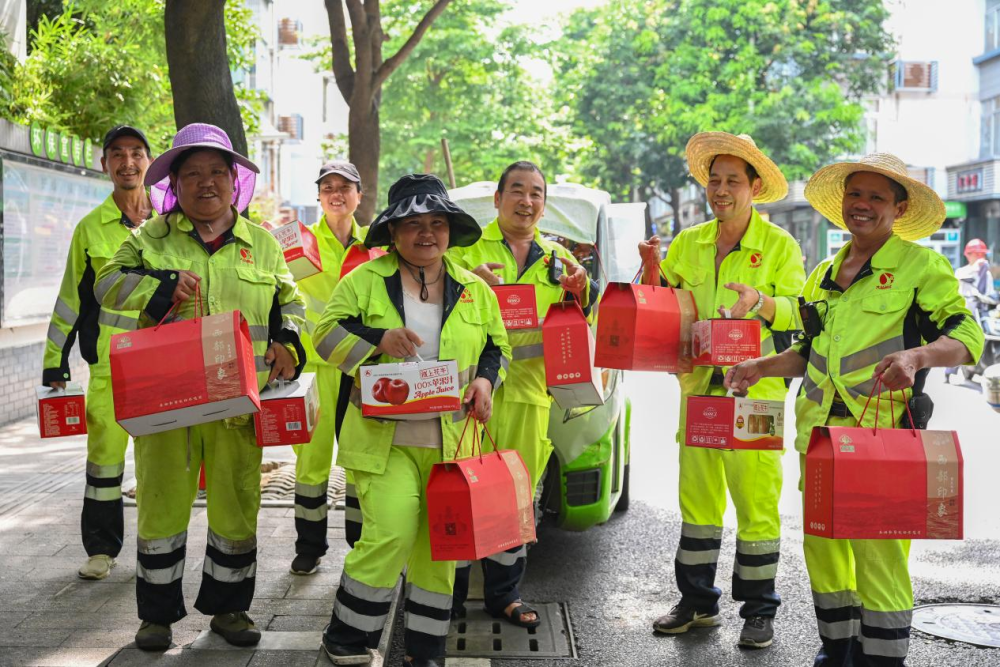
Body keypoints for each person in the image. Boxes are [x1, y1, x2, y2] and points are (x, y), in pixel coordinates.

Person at [725, 153, 984, 666]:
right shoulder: (823, 273)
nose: (862, 206)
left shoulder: (920, 267)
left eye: (876, 197)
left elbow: (968, 337)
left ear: (899, 207)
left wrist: (917, 355)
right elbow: (808, 352)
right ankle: (836, 650)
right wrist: (760, 366)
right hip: (819, 440)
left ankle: (882, 659)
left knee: (880, 559)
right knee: (824, 552)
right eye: (855, 195)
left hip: (882, 441)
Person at [94, 123, 306, 651]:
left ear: (234, 180)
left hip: (239, 401)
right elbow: (105, 286)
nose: (206, 183)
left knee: (237, 505)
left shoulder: (262, 244)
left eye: (217, 172)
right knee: (162, 506)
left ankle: (230, 609)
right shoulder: (149, 238)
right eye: (193, 174)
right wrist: (159, 284)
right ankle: (157, 616)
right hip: (168, 399)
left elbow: (293, 305)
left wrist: (290, 341)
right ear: (176, 182)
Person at [313, 174, 512, 667]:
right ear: (394, 231)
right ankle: (346, 636)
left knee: (441, 549)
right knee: (393, 533)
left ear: (450, 231)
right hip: (385, 441)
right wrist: (377, 340)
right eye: (414, 224)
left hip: (451, 444)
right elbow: (324, 335)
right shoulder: (364, 280)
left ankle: (425, 651)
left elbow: (496, 348)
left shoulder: (473, 288)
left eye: (437, 224)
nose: (427, 234)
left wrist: (486, 383)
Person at [638, 133, 805, 648]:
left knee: (756, 506)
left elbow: (802, 316)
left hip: (757, 393)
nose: (722, 189)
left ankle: (759, 611)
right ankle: (696, 604)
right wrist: (650, 269)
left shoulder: (780, 247)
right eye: (715, 180)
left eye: (734, 180)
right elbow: (665, 304)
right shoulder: (689, 242)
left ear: (755, 187)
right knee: (698, 504)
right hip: (701, 393)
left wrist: (761, 302)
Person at [448, 161, 594, 629]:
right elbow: (436, 305)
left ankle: (504, 596)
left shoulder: (559, 262)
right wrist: (469, 282)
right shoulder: (464, 250)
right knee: (459, 491)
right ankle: (445, 597)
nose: (526, 201)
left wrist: (580, 294)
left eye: (535, 193)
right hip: (469, 396)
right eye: (516, 190)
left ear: (543, 204)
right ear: (497, 199)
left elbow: (578, 326)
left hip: (530, 397)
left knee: (514, 501)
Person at [42, 125, 154, 581]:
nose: (128, 162)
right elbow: (72, 298)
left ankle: (158, 544)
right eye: (117, 154)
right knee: (104, 463)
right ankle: (102, 549)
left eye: (136, 153)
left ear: (149, 160)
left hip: (166, 366)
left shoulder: (172, 219)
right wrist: (55, 360)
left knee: (159, 461)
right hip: (110, 367)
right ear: (104, 163)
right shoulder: (90, 228)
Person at [289, 160, 371, 575]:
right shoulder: (297, 243)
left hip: (360, 368)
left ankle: (360, 543)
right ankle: (309, 546)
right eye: (328, 187)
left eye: (345, 187)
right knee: (311, 461)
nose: (336, 194)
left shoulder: (376, 245)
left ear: (359, 194)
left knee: (359, 458)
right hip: (315, 369)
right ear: (319, 197)